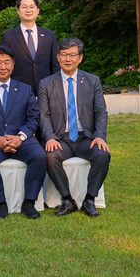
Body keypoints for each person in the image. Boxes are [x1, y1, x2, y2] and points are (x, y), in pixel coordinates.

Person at [0, 46, 47, 219]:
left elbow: (34, 117)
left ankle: (29, 202)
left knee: (40, 156)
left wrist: (20, 137)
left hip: (20, 139)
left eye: (7, 62)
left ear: (13, 65)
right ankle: (0, 204)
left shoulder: (25, 89)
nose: (3, 66)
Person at [38, 37, 110, 217]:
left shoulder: (92, 81)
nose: (68, 59)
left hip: (86, 137)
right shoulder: (46, 83)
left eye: (72, 55)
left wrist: (99, 136)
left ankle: (89, 199)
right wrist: (50, 137)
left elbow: (101, 112)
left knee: (102, 154)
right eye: (64, 55)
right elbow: (43, 115)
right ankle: (67, 199)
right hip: (60, 138)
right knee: (50, 156)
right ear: (58, 57)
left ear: (80, 58)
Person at [0, 0, 60, 93]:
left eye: (32, 7)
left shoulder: (49, 35)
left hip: (46, 91)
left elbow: (55, 66)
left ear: (37, 10)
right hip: (18, 91)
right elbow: (4, 66)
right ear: (18, 11)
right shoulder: (8, 37)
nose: (28, 10)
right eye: (24, 7)